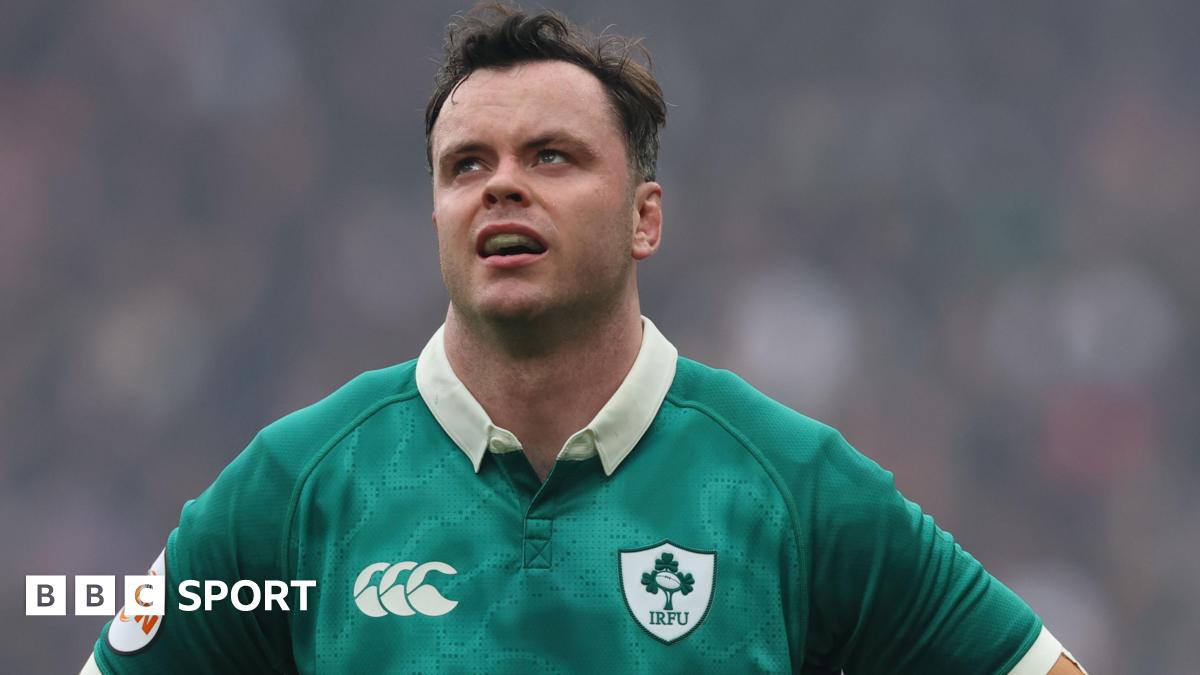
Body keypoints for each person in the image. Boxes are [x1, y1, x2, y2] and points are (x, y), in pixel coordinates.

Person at [82, 4, 1088, 673]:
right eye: (466, 165)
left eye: (551, 156)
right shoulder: (297, 484)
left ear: (645, 218)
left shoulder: (791, 486)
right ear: (436, 215)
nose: (501, 185)